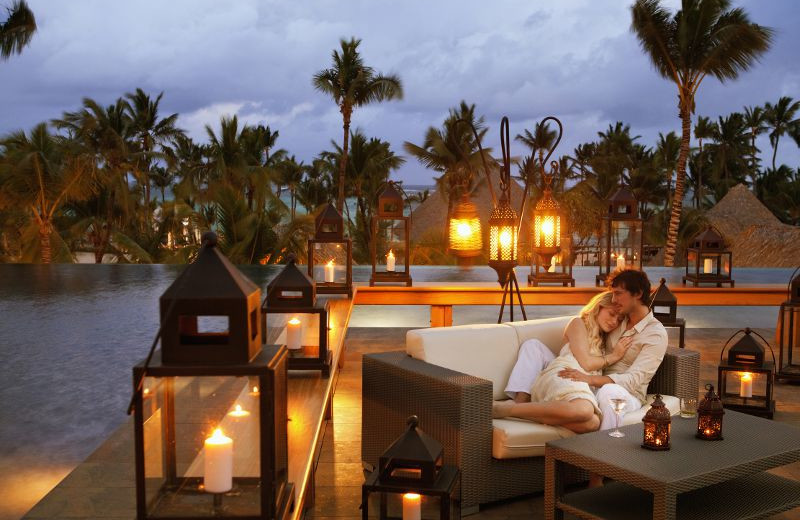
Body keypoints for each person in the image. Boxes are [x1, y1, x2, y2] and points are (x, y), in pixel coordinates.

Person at [492, 291, 632, 433]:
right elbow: (586, 363)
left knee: (593, 423)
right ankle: (505, 408)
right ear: (599, 307)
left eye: (620, 319)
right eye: (611, 314)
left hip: (583, 383)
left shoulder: (605, 338)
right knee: (584, 410)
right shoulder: (578, 323)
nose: (614, 321)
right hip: (566, 372)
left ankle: (524, 413)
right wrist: (614, 356)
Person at [558, 269, 669, 431]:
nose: (614, 299)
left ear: (637, 293)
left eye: (618, 294)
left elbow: (633, 380)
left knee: (609, 392)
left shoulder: (655, 334)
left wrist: (589, 380)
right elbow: (592, 330)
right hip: (594, 379)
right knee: (535, 348)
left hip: (627, 394)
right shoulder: (618, 321)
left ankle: (605, 449)